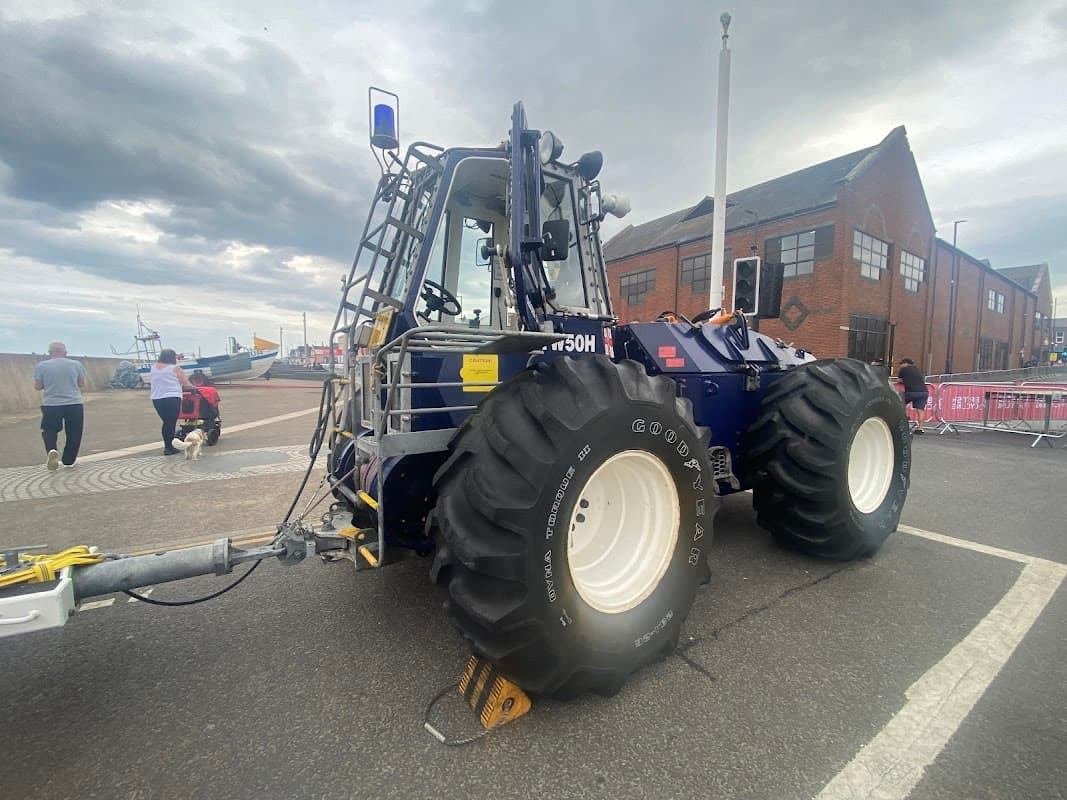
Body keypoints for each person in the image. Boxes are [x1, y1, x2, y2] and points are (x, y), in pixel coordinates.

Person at [34, 341, 86, 470]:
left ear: (49, 352)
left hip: (51, 404)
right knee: (74, 432)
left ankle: (52, 450)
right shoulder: (76, 364)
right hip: (74, 403)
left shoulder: (42, 366)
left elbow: (38, 386)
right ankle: (69, 460)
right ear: (65, 352)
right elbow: (81, 383)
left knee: (49, 429)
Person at [149, 349, 197, 455]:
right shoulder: (175, 368)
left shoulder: (153, 368)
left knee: (166, 422)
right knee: (170, 423)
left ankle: (168, 446)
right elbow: (186, 384)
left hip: (156, 398)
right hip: (172, 398)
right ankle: (169, 448)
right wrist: (194, 388)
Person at [897, 357, 929, 434]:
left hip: (912, 391)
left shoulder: (903, 370)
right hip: (924, 392)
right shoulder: (917, 370)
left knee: (900, 402)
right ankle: (920, 428)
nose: (900, 365)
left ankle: (904, 417)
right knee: (920, 410)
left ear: (905, 363)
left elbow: (899, 380)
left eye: (901, 364)